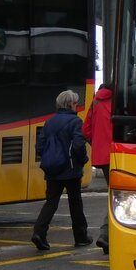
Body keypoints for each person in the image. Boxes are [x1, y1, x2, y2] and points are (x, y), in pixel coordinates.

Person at [31, 89, 91, 251]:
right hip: (71, 168)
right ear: (70, 104)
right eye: (75, 103)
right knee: (75, 202)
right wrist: (83, 160)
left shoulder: (50, 122)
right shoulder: (75, 122)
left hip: (52, 168)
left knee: (51, 201)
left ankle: (39, 232)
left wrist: (49, 159)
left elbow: (40, 146)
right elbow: (79, 145)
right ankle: (81, 236)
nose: (76, 105)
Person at [82, 82, 113, 254]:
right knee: (117, 196)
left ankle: (107, 234)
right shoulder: (118, 102)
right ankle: (105, 234)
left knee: (113, 194)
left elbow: (85, 130)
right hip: (117, 154)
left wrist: (96, 144)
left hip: (101, 156)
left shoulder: (96, 102)